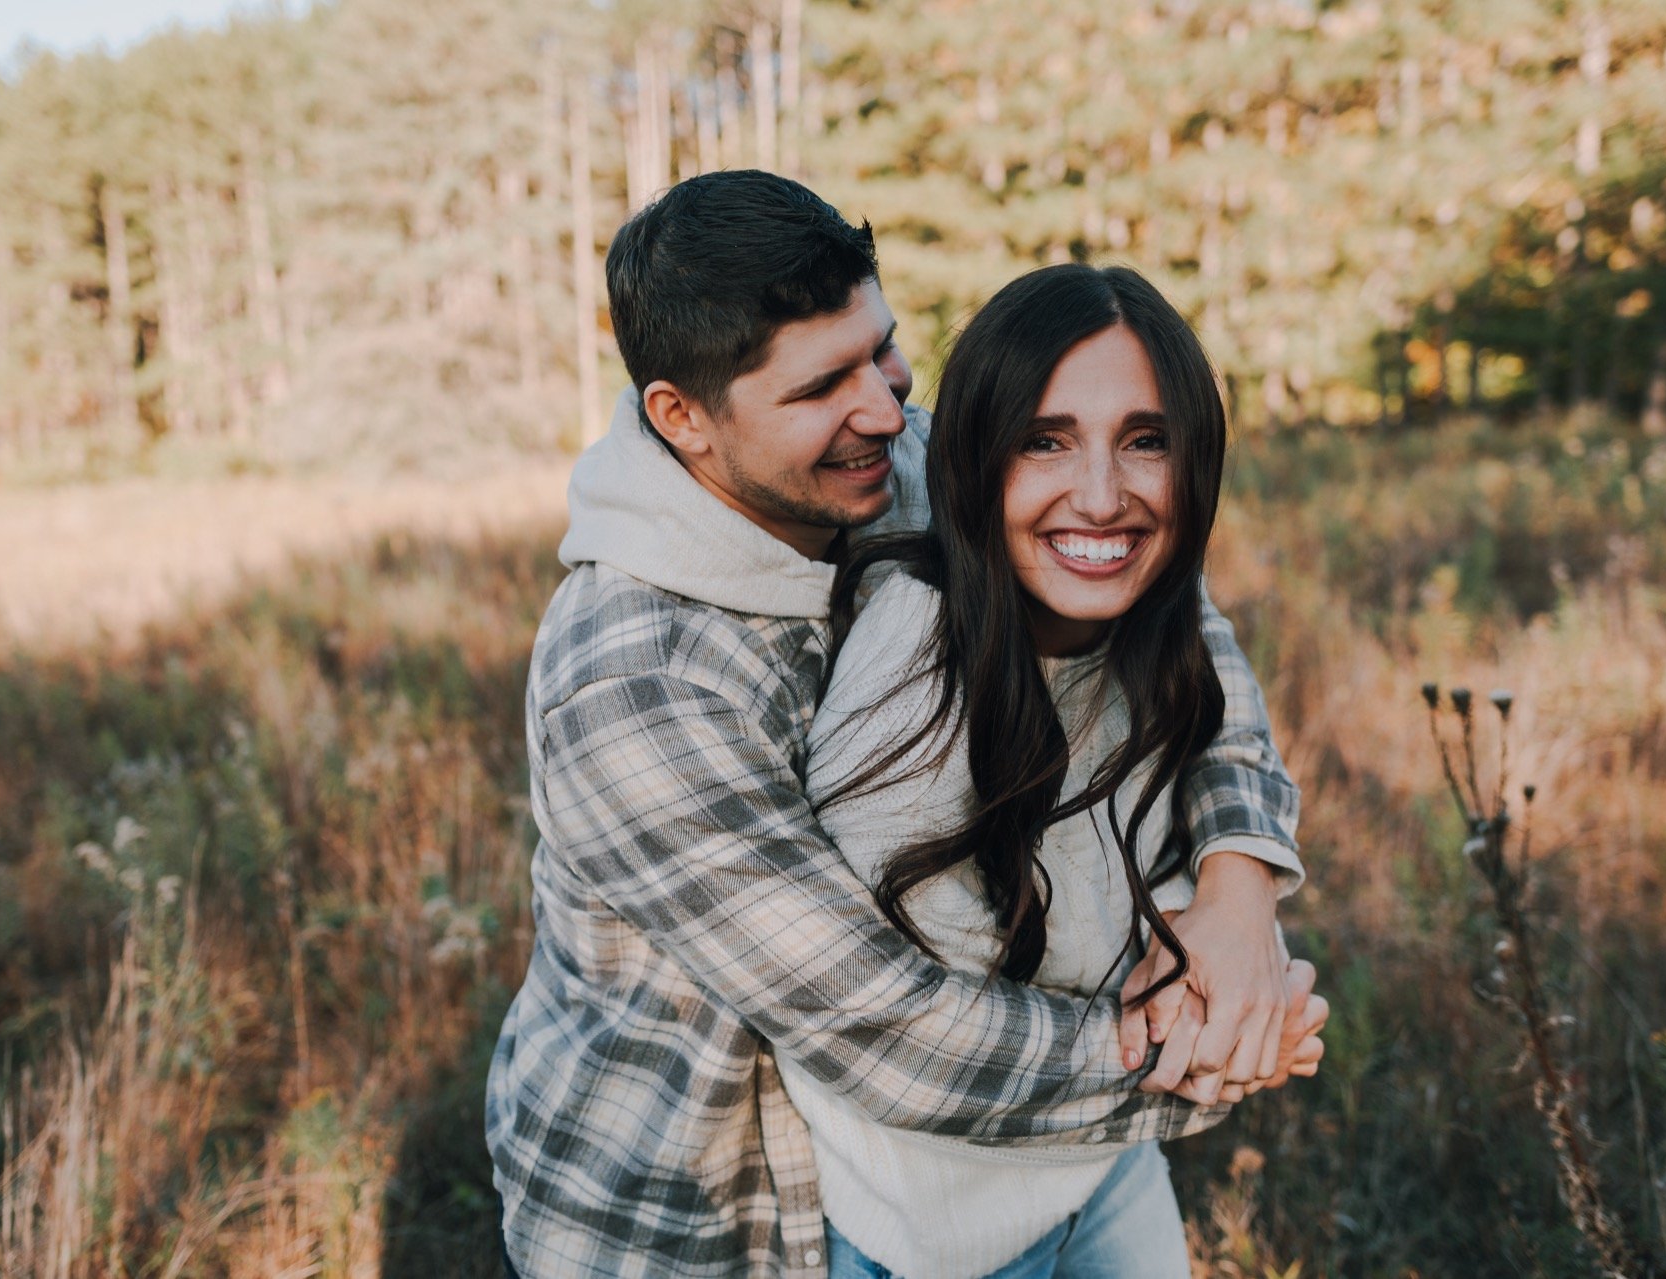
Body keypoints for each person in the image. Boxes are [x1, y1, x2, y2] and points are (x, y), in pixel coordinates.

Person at [485, 170, 1317, 1278]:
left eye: (881, 349)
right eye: (824, 383)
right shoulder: (637, 689)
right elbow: (885, 1028)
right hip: (712, 1207)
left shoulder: (893, 454)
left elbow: (1173, 611)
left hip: (982, 1171)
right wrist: (1206, 1051)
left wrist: (1237, 882)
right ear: (682, 418)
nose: (885, 405)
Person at [788, 262, 1318, 1279]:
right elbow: (908, 1044)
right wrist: (1215, 1029)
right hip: (934, 1230)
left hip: (1104, 1175)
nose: (1103, 495)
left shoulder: (1139, 619)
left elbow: (1219, 722)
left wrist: (1238, 896)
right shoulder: (910, 692)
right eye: (1047, 440)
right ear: (975, 457)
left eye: (1146, 440)